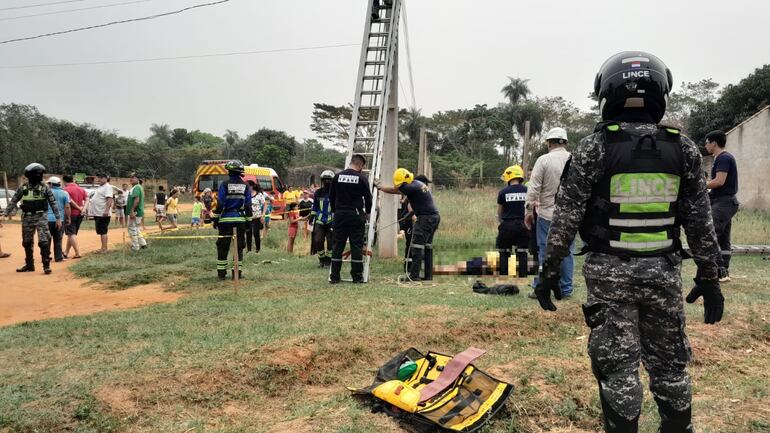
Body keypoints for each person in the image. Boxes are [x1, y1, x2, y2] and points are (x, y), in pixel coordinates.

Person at [536, 51, 724, 433]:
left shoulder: (594, 147)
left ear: (607, 93)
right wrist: (709, 275)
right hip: (663, 276)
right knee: (670, 364)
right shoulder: (683, 148)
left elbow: (566, 218)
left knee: (618, 368)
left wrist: (549, 271)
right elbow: (700, 221)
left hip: (609, 278)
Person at [525, 126, 575, 299]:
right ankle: (567, 289)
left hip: (548, 213)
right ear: (565, 142)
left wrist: (529, 211)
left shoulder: (544, 160)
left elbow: (533, 189)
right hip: (570, 216)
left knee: (544, 251)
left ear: (549, 143)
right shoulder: (574, 159)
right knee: (567, 251)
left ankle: (540, 286)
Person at [376, 169, 440, 282]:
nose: (400, 185)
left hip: (425, 218)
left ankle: (414, 276)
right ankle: (428, 275)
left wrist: (379, 186)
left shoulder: (409, 186)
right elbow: (420, 202)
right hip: (433, 217)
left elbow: (393, 190)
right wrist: (411, 213)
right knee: (427, 246)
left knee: (417, 246)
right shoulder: (417, 184)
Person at [2, 163, 60, 274]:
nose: (40, 176)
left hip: (41, 217)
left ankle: (46, 266)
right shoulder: (23, 188)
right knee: (27, 242)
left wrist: (58, 218)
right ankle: (29, 265)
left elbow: (53, 203)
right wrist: (5, 214)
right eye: (38, 174)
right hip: (27, 217)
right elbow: (13, 201)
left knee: (43, 241)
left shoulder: (44, 188)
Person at [328, 154, 372, 283]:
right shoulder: (362, 178)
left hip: (340, 215)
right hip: (356, 215)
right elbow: (368, 199)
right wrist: (368, 212)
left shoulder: (337, 177)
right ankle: (357, 277)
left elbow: (331, 197)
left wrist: (336, 211)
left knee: (337, 246)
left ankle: (334, 277)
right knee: (356, 246)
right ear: (360, 165)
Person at [704, 130, 739, 282]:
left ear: (714, 143)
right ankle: (723, 273)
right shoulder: (721, 158)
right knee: (724, 238)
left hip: (724, 202)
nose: (705, 145)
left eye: (707, 142)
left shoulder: (724, 158)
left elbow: (719, 181)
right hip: (724, 202)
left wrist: (700, 185)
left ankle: (719, 271)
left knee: (710, 233)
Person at [212, 160, 252, 280]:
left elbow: (220, 204)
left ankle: (221, 274)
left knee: (223, 247)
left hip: (225, 221)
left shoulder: (224, 185)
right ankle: (237, 274)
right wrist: (249, 222)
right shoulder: (246, 186)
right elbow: (248, 206)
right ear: (240, 172)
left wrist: (215, 219)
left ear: (229, 172)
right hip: (240, 221)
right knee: (238, 247)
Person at [497, 165, 529, 277]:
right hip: (523, 224)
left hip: (507, 225)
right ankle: (523, 275)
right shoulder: (527, 191)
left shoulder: (503, 192)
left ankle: (504, 275)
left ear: (508, 177)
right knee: (522, 251)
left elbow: (500, 211)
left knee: (504, 251)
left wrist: (501, 223)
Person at [310, 170, 335, 268]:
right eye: (325, 180)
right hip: (319, 221)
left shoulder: (335, 193)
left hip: (331, 221)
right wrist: (312, 217)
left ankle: (328, 260)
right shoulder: (318, 192)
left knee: (331, 242)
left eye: (329, 180)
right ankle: (322, 259)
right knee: (318, 240)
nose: (327, 182)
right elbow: (315, 206)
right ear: (322, 181)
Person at [45, 177, 71, 263]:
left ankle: (46, 257)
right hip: (59, 220)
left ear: (51, 184)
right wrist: (68, 218)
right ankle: (58, 257)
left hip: (47, 219)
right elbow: (67, 207)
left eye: (49, 183)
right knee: (58, 238)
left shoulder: (45, 192)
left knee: (47, 239)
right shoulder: (65, 193)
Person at [63, 174, 87, 259]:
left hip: (70, 214)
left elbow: (70, 201)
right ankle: (66, 252)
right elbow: (87, 199)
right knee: (71, 234)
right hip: (79, 215)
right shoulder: (81, 189)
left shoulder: (65, 190)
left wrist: (78, 208)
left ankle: (77, 253)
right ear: (73, 180)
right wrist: (83, 209)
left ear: (64, 181)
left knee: (71, 233)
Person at [91, 174, 114, 253]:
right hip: (98, 213)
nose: (99, 179)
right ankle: (103, 248)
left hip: (103, 213)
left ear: (105, 178)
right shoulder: (100, 187)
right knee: (101, 231)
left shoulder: (108, 187)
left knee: (103, 231)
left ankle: (104, 249)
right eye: (98, 178)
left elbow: (109, 199)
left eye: (101, 178)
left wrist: (106, 210)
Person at [125, 172, 148, 252]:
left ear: (138, 179)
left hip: (135, 212)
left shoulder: (137, 188)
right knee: (136, 228)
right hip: (138, 211)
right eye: (130, 177)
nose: (131, 179)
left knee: (131, 229)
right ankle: (143, 244)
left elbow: (137, 199)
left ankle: (135, 247)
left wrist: (132, 211)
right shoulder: (137, 187)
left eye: (133, 177)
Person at [245, 180, 266, 252]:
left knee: (256, 233)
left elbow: (265, 204)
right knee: (248, 233)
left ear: (252, 186)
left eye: (248, 186)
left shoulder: (259, 195)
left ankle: (258, 249)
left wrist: (263, 215)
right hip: (248, 217)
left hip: (257, 217)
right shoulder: (245, 195)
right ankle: (249, 250)